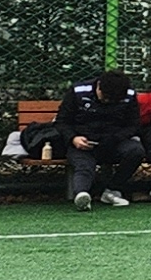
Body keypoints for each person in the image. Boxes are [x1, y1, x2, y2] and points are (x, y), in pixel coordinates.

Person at [26, 74, 140, 207]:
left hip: (114, 142)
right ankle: (82, 195)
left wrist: (116, 138)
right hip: (81, 143)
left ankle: (112, 190)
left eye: (112, 100)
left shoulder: (129, 95)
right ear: (98, 86)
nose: (107, 101)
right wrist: (73, 138)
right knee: (84, 166)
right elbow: (62, 122)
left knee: (136, 151)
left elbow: (133, 125)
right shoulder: (78, 91)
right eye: (105, 97)